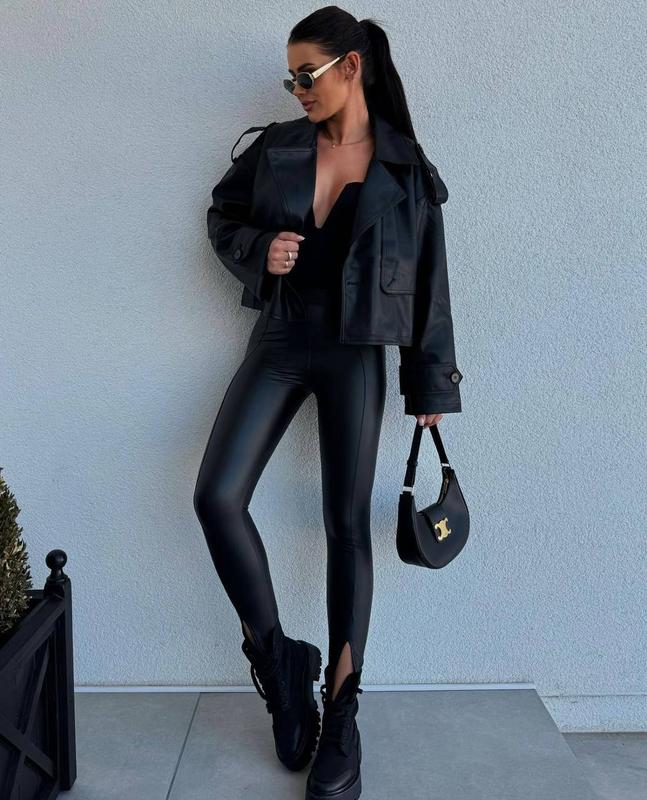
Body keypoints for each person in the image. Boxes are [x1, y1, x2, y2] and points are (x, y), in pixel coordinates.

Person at [193, 7, 463, 799]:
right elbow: (220, 216)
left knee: (346, 525)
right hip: (279, 342)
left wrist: (430, 384)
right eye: (290, 79)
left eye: (305, 74)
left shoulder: (404, 168)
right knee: (216, 497)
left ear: (350, 67)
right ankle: (281, 667)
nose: (296, 89)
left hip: (356, 356)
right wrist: (259, 250)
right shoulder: (277, 146)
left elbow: (431, 283)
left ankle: (341, 714)